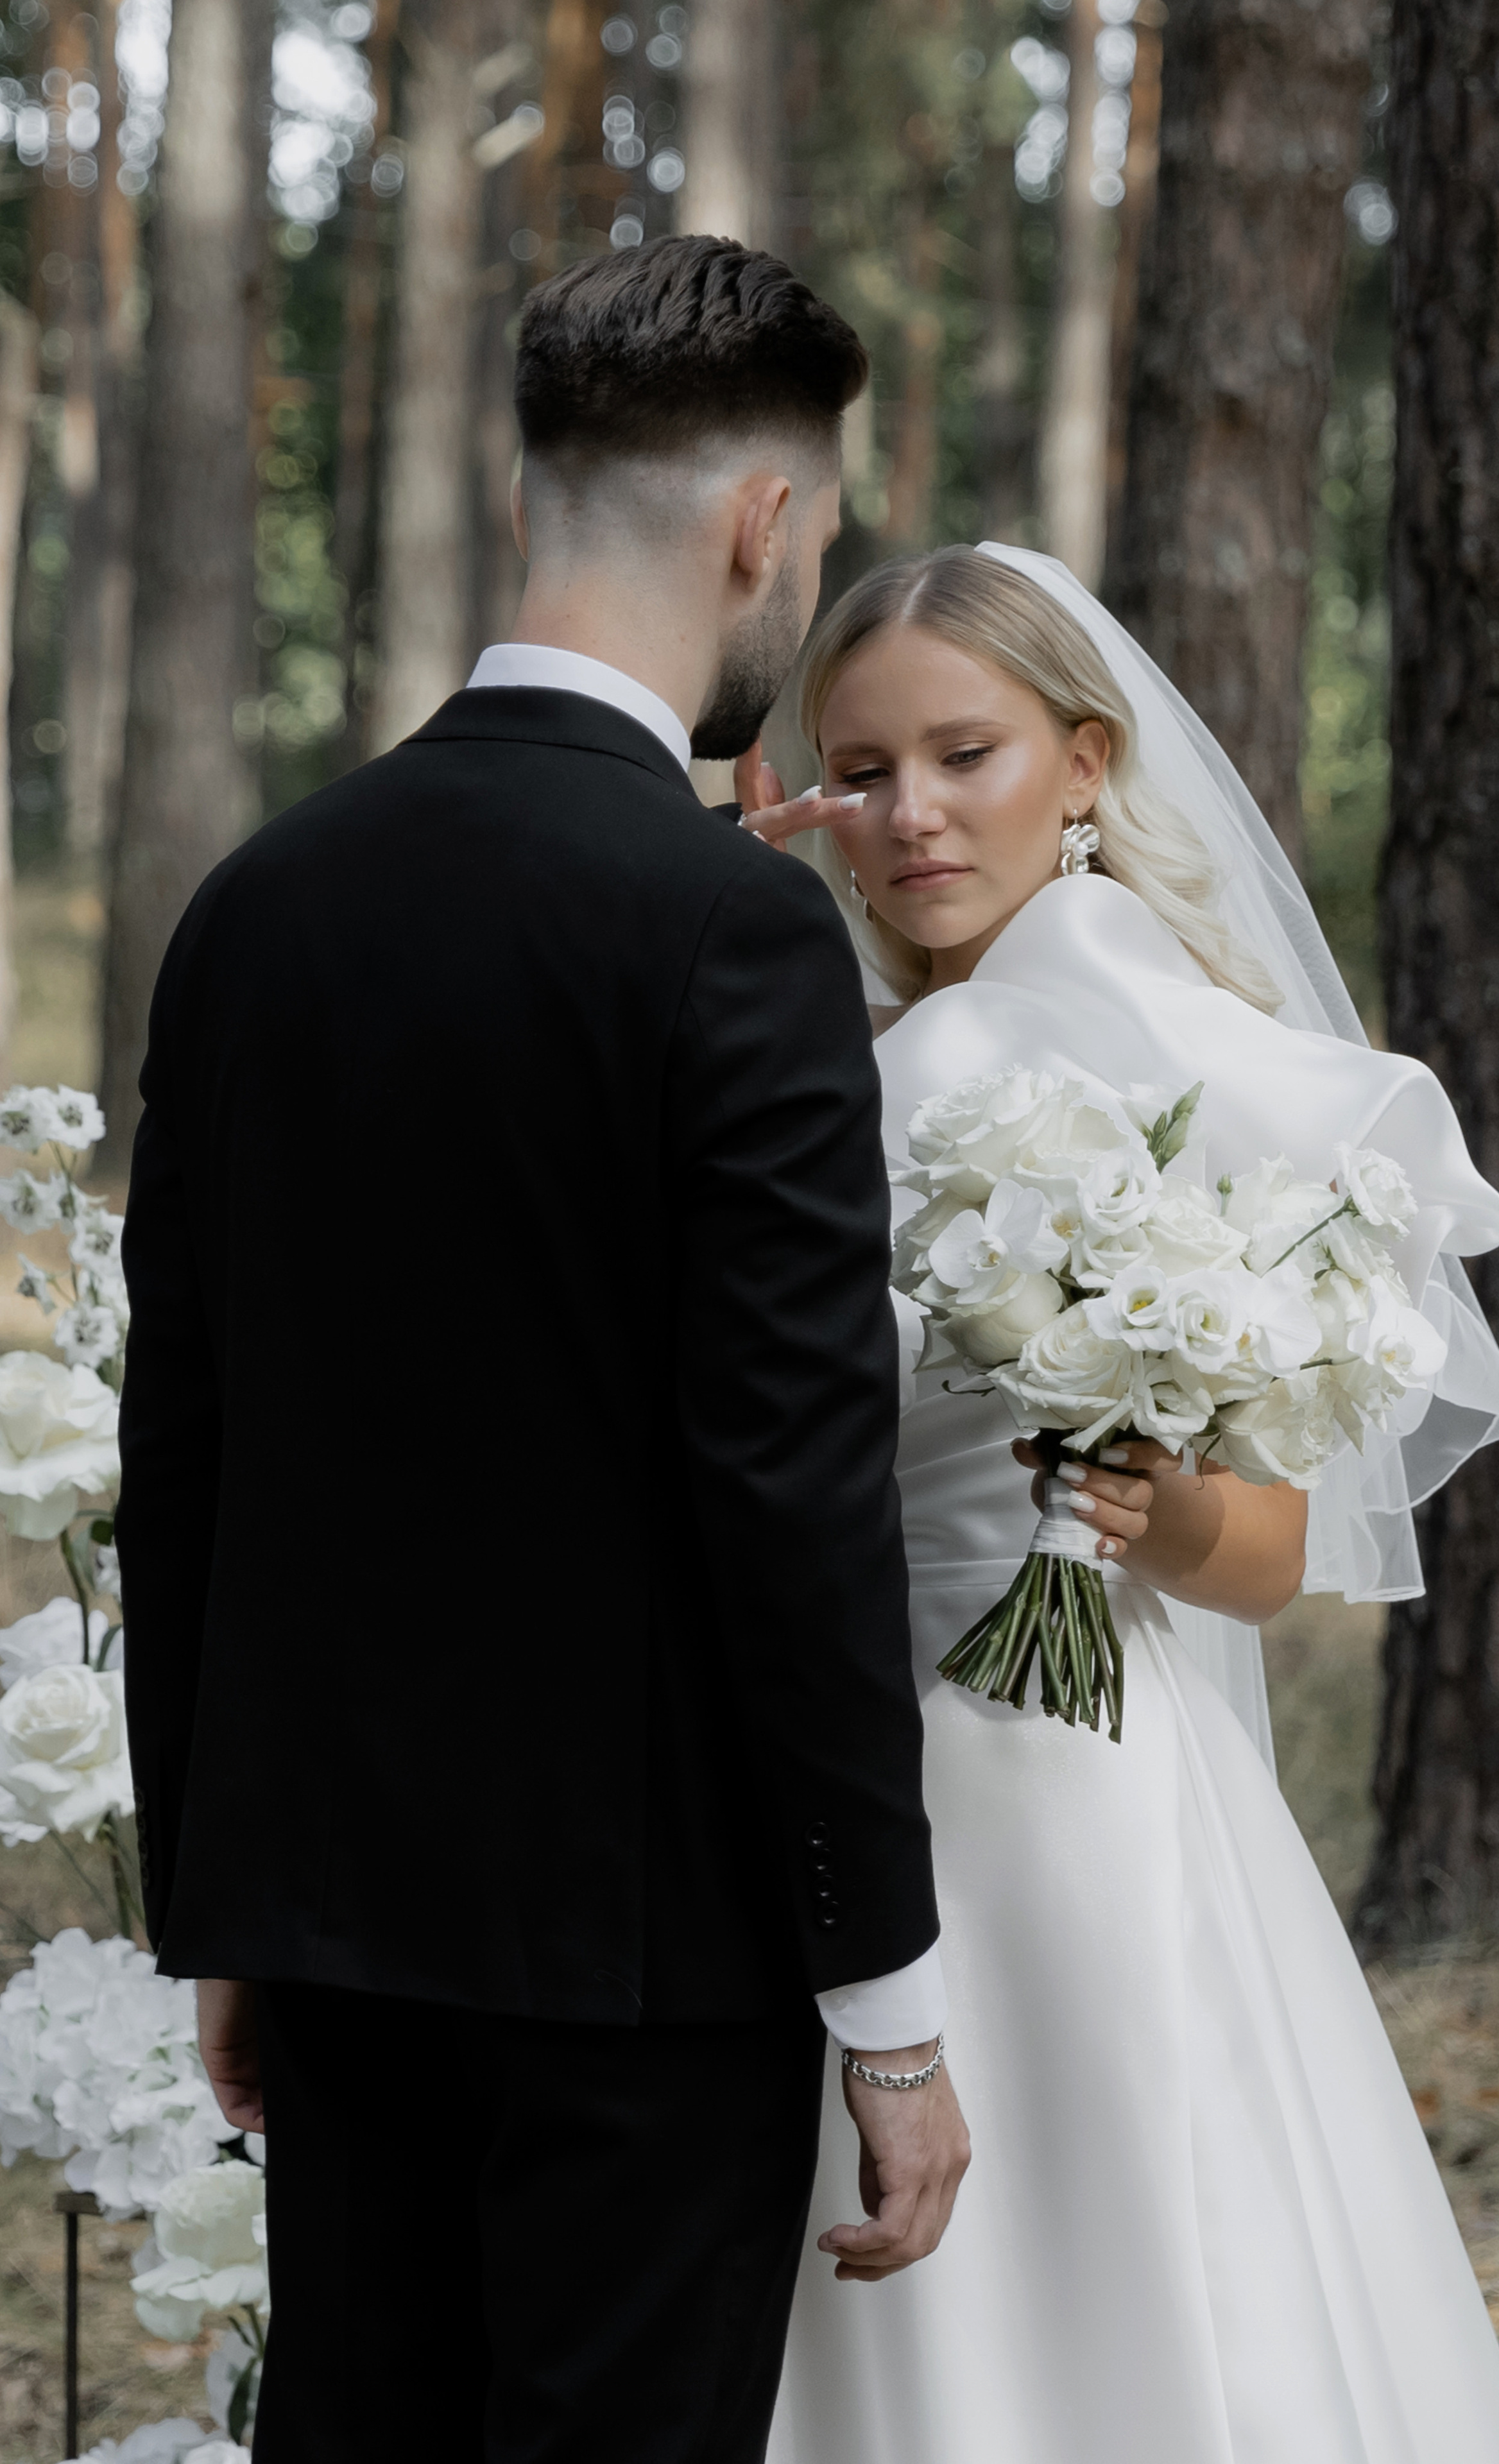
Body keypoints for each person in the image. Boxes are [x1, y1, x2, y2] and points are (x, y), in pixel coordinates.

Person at [116, 237, 970, 2463]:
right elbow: (793, 1494)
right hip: (647, 1968)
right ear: (764, 528)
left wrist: (228, 1901)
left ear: (531, 497)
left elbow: (186, 1434)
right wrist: (886, 2007)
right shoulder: (728, 930)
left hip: (330, 1927)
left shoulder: (258, 905)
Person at [734, 544, 1499, 2464]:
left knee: (1166, 2262)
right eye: (859, 771)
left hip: (1109, 1775)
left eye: (965, 754)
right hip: (858, 1787)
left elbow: (1265, 1560)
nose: (908, 814)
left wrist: (1139, 1485)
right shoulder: (829, 1078)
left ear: (1087, 765)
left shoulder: (1221, 1076)